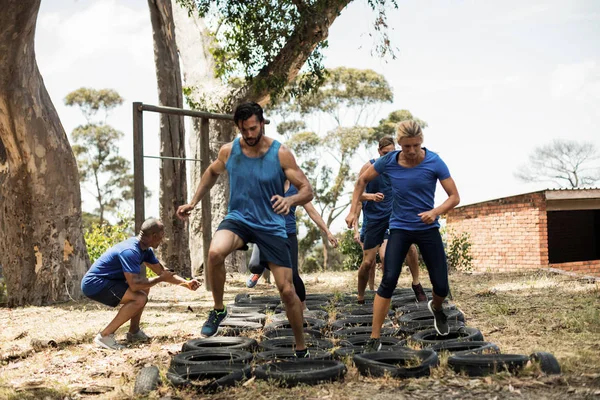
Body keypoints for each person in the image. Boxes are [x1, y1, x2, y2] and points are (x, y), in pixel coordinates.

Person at [176, 102, 314, 358]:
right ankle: (218, 309)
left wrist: (290, 200)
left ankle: (300, 345)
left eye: (253, 128)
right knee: (215, 253)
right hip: (239, 219)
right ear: (237, 127)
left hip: (271, 224)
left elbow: (307, 190)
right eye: (244, 130)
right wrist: (193, 202)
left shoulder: (280, 153)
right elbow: (211, 172)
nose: (249, 135)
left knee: (287, 289)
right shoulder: (229, 151)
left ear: (262, 123)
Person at [345, 120, 460, 351]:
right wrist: (352, 210)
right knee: (388, 280)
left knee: (441, 285)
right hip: (399, 228)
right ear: (399, 144)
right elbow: (361, 181)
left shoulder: (434, 161)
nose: (411, 151)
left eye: (415, 145)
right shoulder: (388, 160)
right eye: (406, 146)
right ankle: (374, 338)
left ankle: (436, 309)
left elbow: (454, 197)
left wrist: (435, 212)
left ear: (421, 142)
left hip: (427, 228)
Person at [81, 218, 201, 350]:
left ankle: (134, 332)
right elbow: (135, 285)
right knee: (139, 297)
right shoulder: (130, 251)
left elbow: (162, 272)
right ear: (154, 236)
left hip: (108, 281)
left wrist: (186, 283)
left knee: (145, 289)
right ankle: (105, 336)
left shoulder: (145, 250)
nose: (162, 240)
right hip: (94, 284)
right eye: (161, 236)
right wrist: (160, 279)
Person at [352, 137, 426, 304]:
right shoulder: (369, 167)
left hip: (395, 217)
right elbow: (357, 194)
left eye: (392, 153)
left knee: (410, 248)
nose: (389, 156)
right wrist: (371, 196)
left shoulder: (400, 167)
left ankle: (416, 284)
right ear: (379, 152)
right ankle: (361, 296)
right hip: (374, 219)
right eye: (385, 153)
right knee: (368, 263)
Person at [246, 180, 339, 309]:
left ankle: (303, 307)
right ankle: (260, 269)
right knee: (254, 265)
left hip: (288, 235)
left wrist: (327, 232)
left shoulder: (295, 189)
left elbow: (312, 211)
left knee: (293, 275)